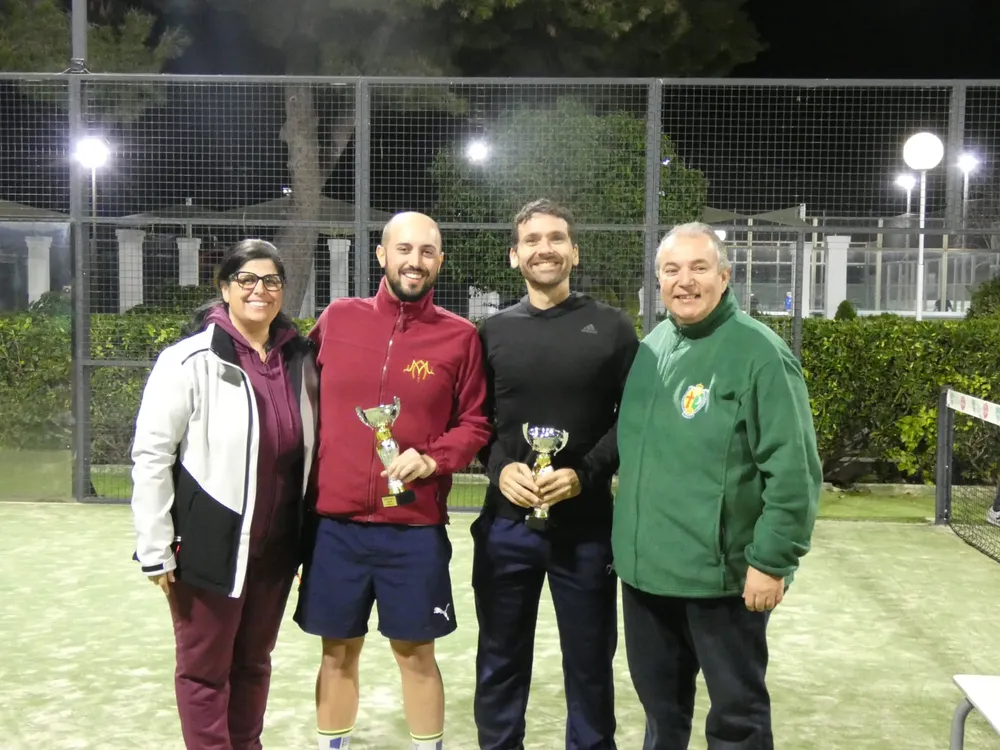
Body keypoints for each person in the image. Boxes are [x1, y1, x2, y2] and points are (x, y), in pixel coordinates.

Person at [612, 222, 822, 750]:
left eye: (699, 268)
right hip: (645, 577)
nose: (685, 281)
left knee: (737, 720)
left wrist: (773, 561)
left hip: (723, 582)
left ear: (724, 277)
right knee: (661, 715)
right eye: (672, 270)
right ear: (658, 281)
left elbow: (794, 470)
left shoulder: (760, 354)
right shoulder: (653, 345)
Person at [294, 211, 491, 750]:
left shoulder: (461, 337)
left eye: (427, 252)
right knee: (337, 650)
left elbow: (474, 422)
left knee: (416, 654)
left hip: (414, 527)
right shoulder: (337, 318)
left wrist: (432, 458)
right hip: (335, 526)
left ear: (439, 261)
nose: (415, 261)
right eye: (403, 249)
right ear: (381, 256)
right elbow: (293, 394)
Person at [130, 238, 319, 750]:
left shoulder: (300, 359)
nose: (260, 290)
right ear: (225, 288)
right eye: (247, 280)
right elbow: (151, 456)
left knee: (254, 664)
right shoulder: (187, 360)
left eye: (272, 281)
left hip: (277, 548)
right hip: (209, 546)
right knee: (204, 671)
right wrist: (155, 547)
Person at [472, 198, 639, 750]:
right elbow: (476, 423)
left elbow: (632, 422)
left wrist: (584, 474)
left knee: (591, 666)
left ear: (574, 251)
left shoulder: (613, 328)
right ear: (514, 255)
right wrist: (500, 472)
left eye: (557, 238)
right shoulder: (491, 332)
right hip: (505, 528)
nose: (545, 248)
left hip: (587, 530)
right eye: (533, 240)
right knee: (499, 661)